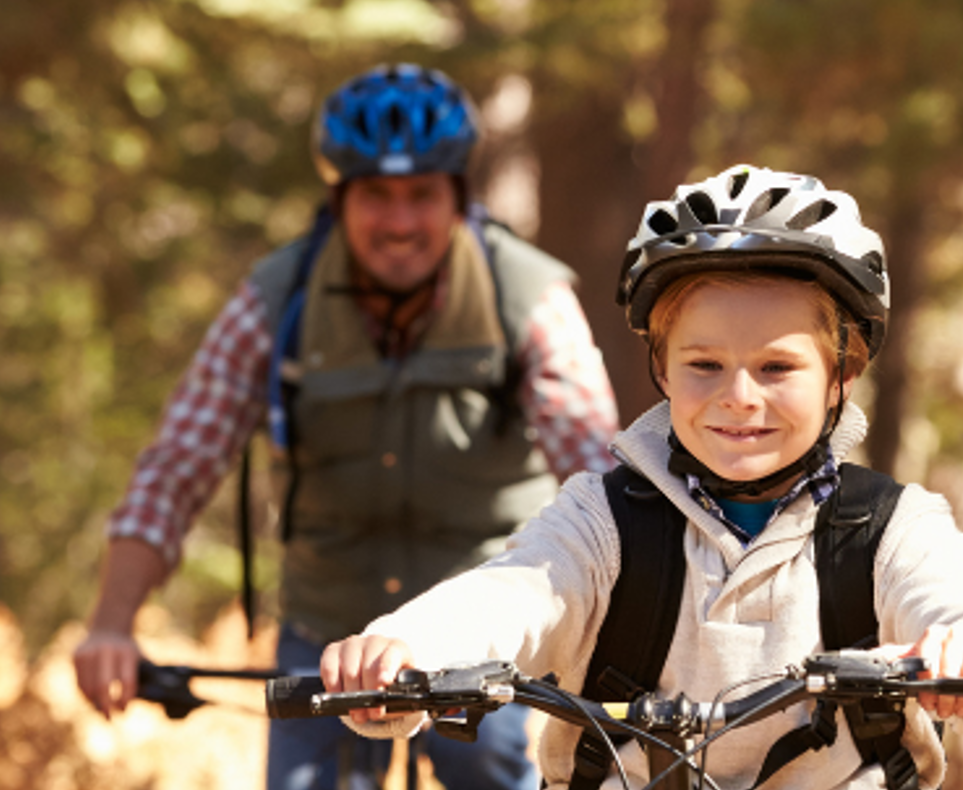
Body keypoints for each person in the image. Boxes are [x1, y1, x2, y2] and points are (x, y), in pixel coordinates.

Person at [318, 165, 963, 790]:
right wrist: (408, 646)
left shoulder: (894, 528)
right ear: (661, 368)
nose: (739, 396)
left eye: (777, 367)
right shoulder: (601, 520)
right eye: (703, 365)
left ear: (842, 371)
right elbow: (514, 592)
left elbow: (955, 608)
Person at [70, 63, 620, 790]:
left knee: (498, 772)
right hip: (324, 628)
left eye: (421, 195)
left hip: (482, 629)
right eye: (375, 196)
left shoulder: (527, 295)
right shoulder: (276, 298)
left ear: (457, 196)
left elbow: (599, 476)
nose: (399, 222)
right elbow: (177, 464)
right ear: (337, 200)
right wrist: (112, 620)